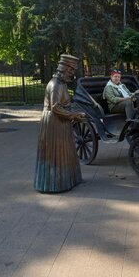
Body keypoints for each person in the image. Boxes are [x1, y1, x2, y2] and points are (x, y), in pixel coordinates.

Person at [34, 54, 86, 193]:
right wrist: (73, 115)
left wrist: (72, 116)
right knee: (56, 152)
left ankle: (70, 179)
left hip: (62, 121)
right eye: (71, 71)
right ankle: (55, 183)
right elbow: (55, 107)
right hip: (53, 123)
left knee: (66, 150)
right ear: (64, 69)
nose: (72, 74)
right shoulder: (55, 84)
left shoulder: (62, 83)